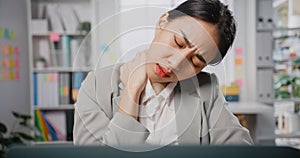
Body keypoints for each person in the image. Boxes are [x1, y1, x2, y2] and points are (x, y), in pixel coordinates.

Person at [73, 0, 253, 149]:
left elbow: (241, 150)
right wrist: (132, 92)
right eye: (178, 42)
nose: (175, 63)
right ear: (162, 23)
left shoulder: (206, 89)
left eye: (196, 61)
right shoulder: (96, 86)